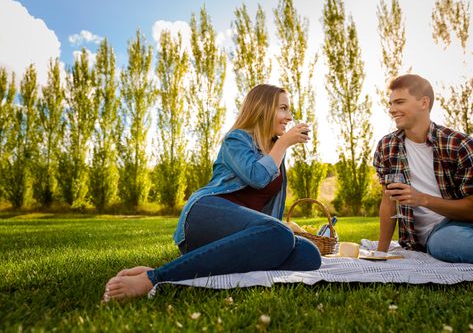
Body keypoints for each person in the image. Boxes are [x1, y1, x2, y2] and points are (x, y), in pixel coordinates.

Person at [103, 84, 321, 302]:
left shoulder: (276, 152)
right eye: (283, 108)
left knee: (308, 255)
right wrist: (283, 144)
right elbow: (257, 177)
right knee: (281, 233)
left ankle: (183, 269)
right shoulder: (236, 140)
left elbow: (267, 215)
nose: (289, 117)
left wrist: (271, 240)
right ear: (262, 108)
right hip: (205, 215)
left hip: (240, 233)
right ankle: (153, 278)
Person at [373, 73, 473, 269]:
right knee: (446, 240)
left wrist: (422, 199)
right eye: (391, 104)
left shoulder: (459, 144)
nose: (392, 109)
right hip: (440, 235)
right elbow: (389, 202)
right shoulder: (387, 147)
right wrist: (380, 252)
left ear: (423, 102)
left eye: (399, 102)